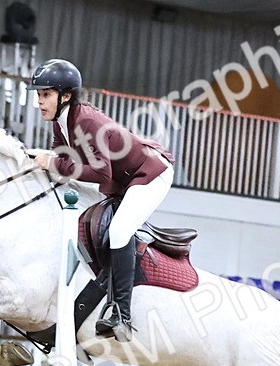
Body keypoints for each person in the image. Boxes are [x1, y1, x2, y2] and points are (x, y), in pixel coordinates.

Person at [28, 58, 175, 342]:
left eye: (45, 94)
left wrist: (52, 164)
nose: (40, 102)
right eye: (38, 95)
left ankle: (122, 315)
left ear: (65, 95)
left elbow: (100, 174)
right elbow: (62, 160)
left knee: (120, 231)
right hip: (124, 178)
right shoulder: (62, 121)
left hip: (149, 174)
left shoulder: (86, 122)